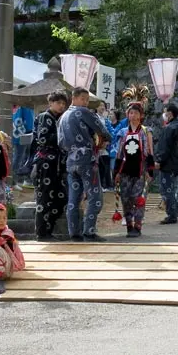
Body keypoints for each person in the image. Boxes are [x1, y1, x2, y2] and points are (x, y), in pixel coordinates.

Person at [58, 87, 111, 242]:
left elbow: (60, 142)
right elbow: (102, 129)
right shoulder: (82, 112)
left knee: (74, 198)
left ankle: (74, 232)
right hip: (86, 159)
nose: (86, 103)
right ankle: (89, 231)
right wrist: (105, 139)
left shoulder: (63, 117)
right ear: (74, 98)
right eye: (83, 99)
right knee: (95, 196)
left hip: (70, 160)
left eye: (87, 100)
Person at [115, 101, 155, 237]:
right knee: (126, 198)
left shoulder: (146, 131)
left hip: (141, 169)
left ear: (141, 115)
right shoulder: (122, 132)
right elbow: (119, 153)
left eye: (136, 113)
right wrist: (116, 172)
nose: (133, 115)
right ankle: (129, 225)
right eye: (131, 113)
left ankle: (138, 226)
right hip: (125, 169)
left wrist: (150, 171)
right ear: (127, 115)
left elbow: (150, 152)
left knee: (138, 198)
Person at [33, 91, 69, 241]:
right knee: (45, 197)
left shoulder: (59, 119)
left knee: (60, 198)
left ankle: (48, 229)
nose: (61, 106)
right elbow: (42, 139)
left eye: (63, 103)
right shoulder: (45, 117)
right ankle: (42, 232)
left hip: (58, 164)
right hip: (46, 162)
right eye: (58, 103)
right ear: (51, 103)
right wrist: (63, 137)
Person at [156, 103, 178, 224]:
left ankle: (171, 214)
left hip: (168, 164)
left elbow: (164, 147)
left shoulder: (169, 128)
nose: (164, 114)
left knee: (167, 189)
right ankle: (173, 212)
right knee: (172, 188)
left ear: (170, 114)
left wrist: (158, 160)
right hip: (177, 162)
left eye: (165, 112)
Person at [11, 94, 35, 188]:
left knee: (18, 157)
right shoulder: (25, 105)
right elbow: (29, 122)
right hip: (24, 134)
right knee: (21, 157)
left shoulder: (16, 105)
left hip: (15, 133)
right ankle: (15, 180)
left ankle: (18, 179)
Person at [93, 100, 114, 190]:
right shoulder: (93, 118)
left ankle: (105, 185)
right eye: (100, 105)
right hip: (95, 147)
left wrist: (107, 142)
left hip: (105, 147)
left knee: (105, 166)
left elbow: (111, 133)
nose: (102, 107)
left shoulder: (106, 120)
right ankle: (99, 185)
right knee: (97, 167)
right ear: (96, 107)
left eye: (103, 106)